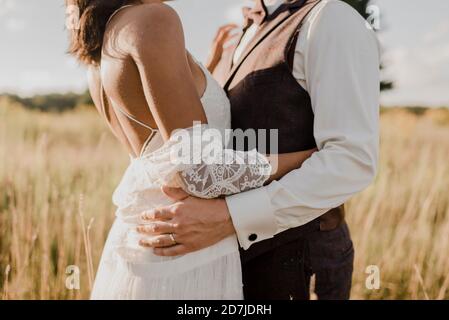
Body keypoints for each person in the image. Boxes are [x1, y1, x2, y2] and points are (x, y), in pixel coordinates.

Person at [67, 0, 315, 299]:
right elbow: (201, 173)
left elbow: (161, 124)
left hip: (143, 243)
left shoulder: (106, 38)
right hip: (184, 250)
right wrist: (312, 157)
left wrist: (205, 69)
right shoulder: (153, 18)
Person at [145, 0, 380, 299]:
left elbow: (351, 160)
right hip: (228, 261)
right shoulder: (240, 33)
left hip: (298, 260)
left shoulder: (330, 18)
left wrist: (231, 218)